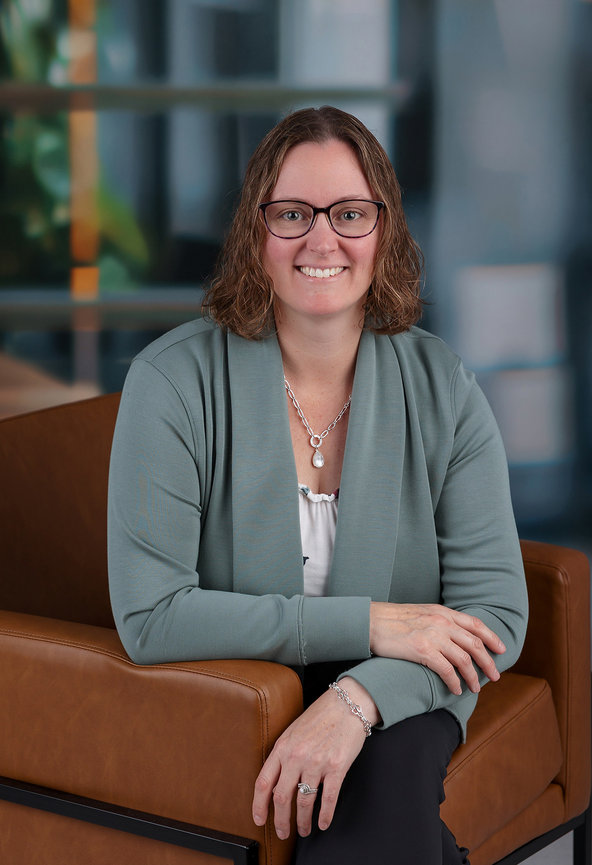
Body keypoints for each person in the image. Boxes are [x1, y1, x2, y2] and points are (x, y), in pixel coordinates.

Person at [107, 105, 528, 864]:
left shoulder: (446, 387)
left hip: (405, 683)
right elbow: (151, 616)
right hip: (240, 685)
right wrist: (368, 621)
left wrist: (356, 696)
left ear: (384, 231)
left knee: (388, 769)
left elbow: (494, 610)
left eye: (351, 213)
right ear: (255, 232)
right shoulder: (171, 381)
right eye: (293, 213)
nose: (322, 239)